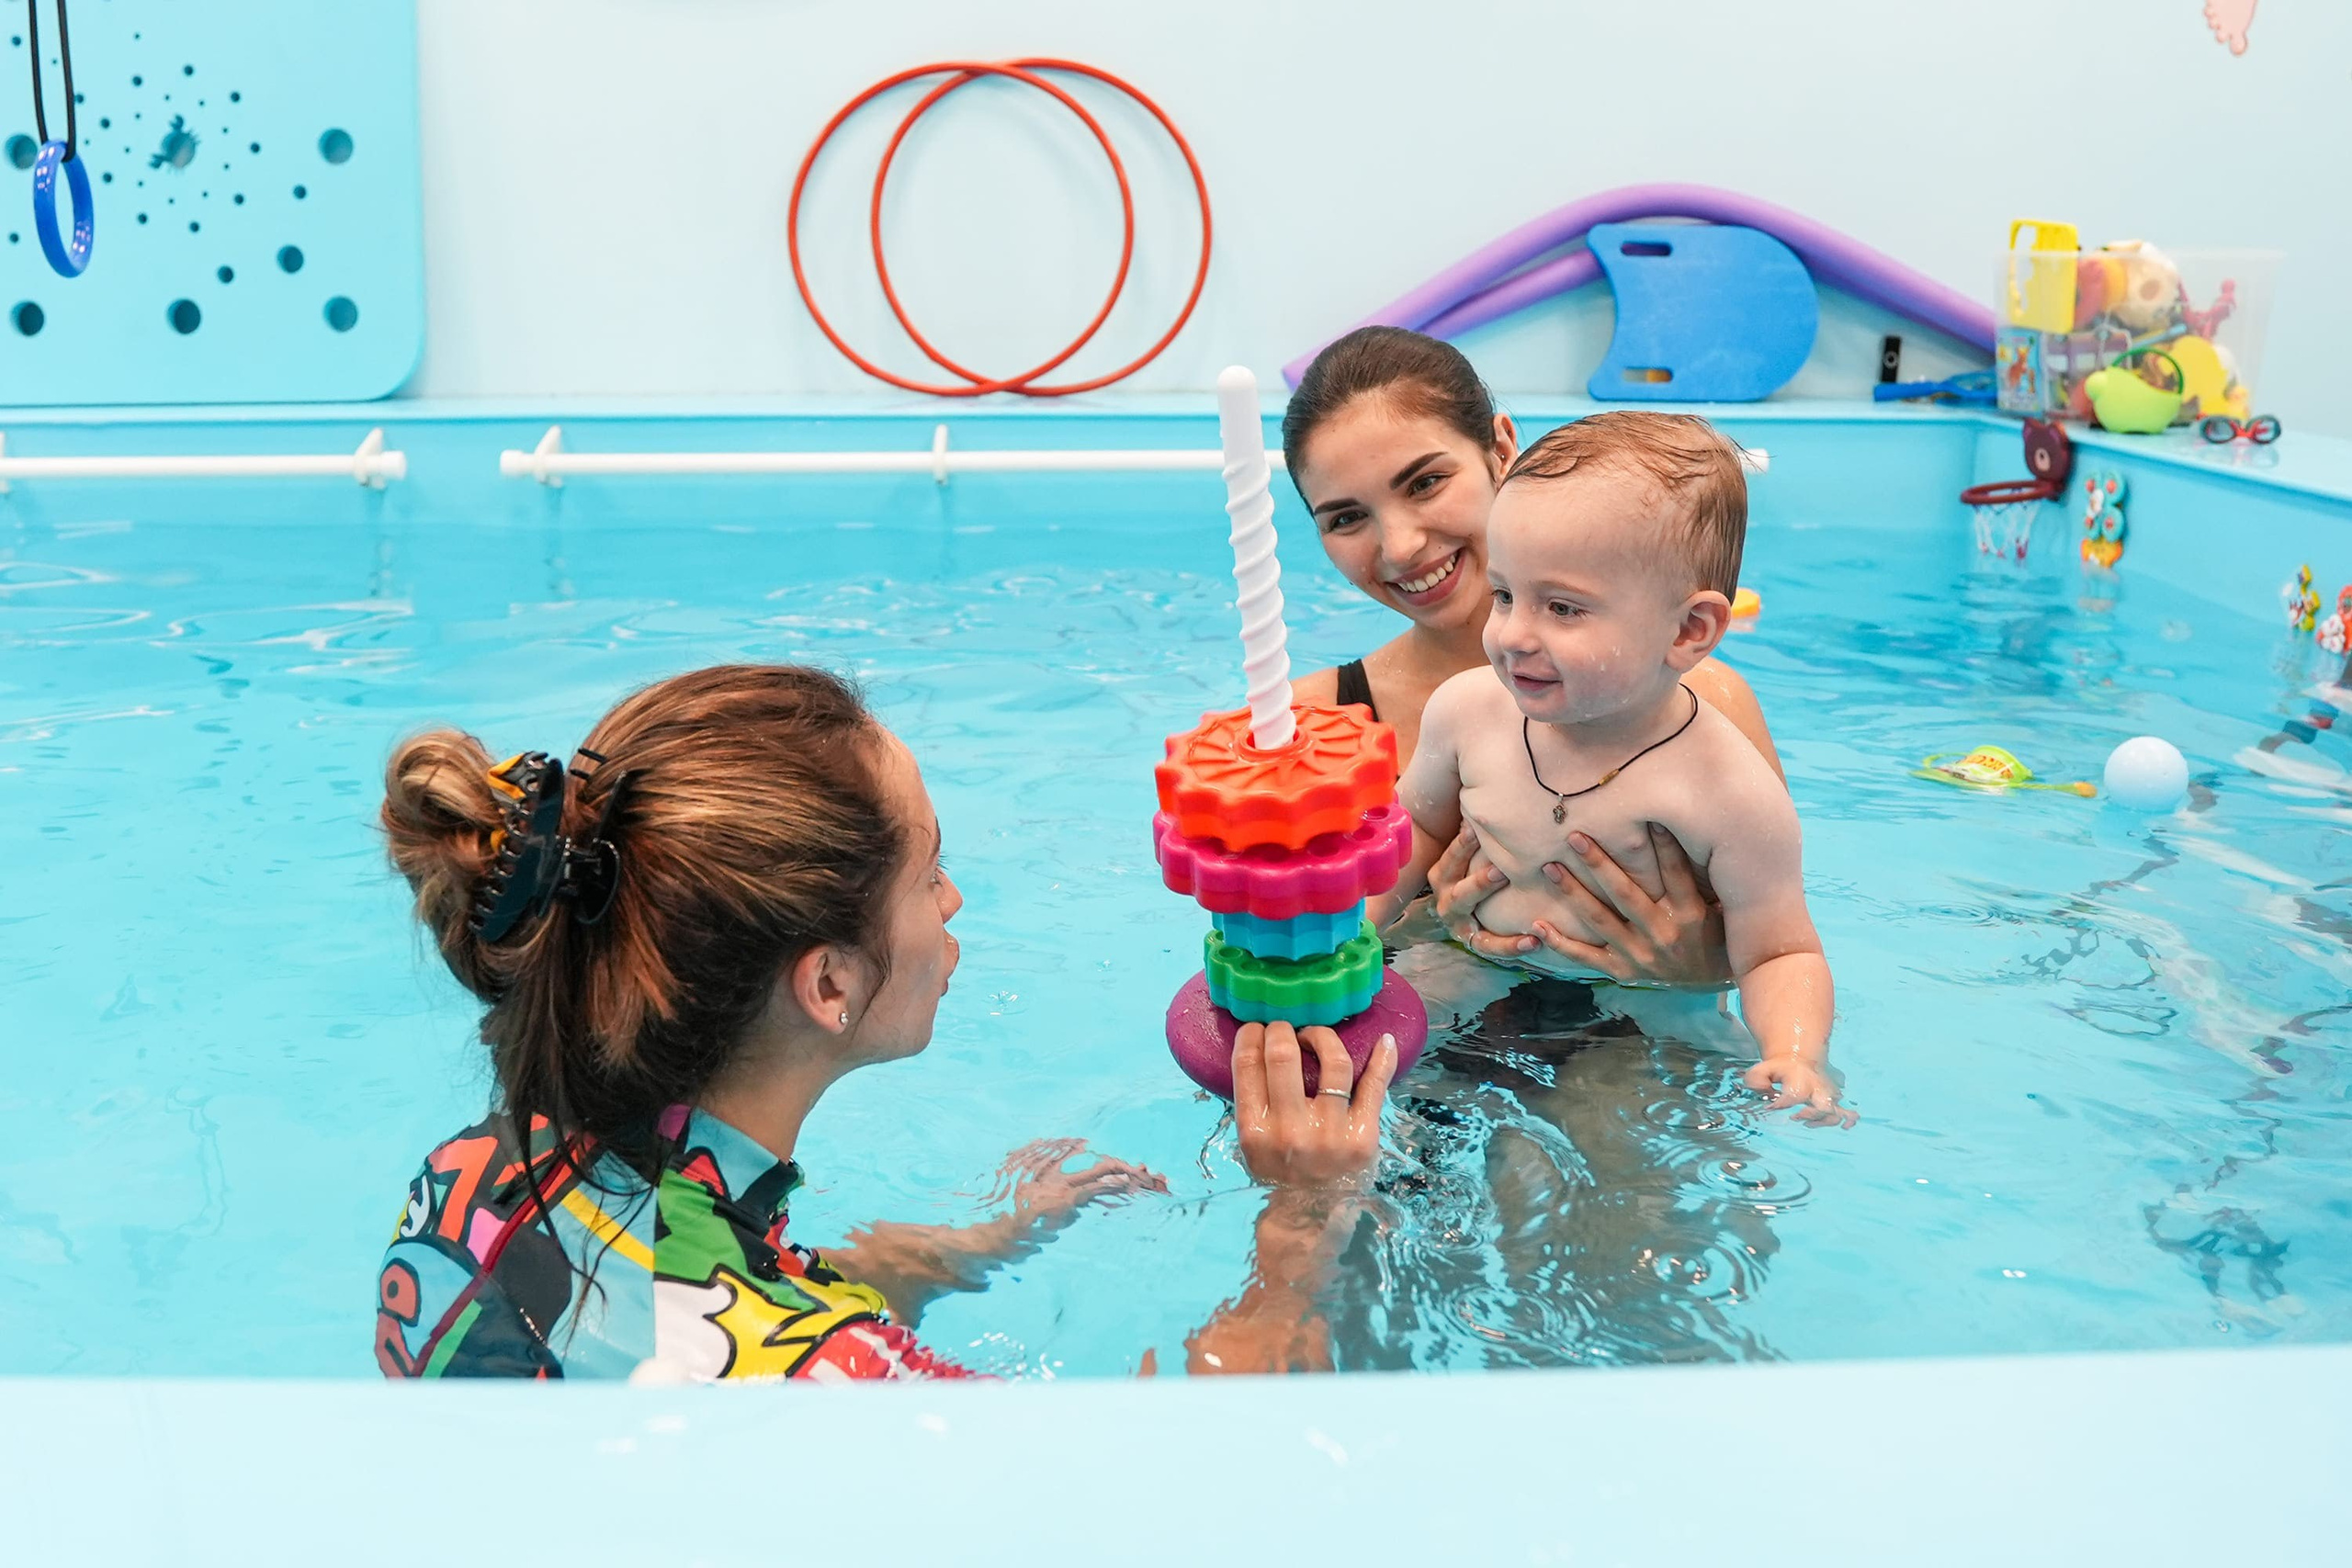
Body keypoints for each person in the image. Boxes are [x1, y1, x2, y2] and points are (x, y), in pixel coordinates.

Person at [372, 664, 1393, 1382]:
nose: (951, 904)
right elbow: (1153, 1506)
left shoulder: (475, 1172)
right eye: (928, 873)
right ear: (829, 986)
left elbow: (701, 1299)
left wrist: (979, 1245)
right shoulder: (847, 1396)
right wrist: (1302, 1230)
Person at [1371, 412, 1847, 1126]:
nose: (1511, 634)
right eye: (1505, 594)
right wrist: (1346, 938)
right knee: (1365, 1074)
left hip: (1641, 1006)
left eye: (1562, 607)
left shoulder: (1727, 791)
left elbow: (1780, 951)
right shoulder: (1467, 714)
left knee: (1621, 1167)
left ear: (1689, 630)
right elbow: (1406, 839)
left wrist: (1795, 1052)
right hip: (1473, 964)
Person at [1283, 326, 1783, 986]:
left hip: (1642, 1054)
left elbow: (1776, 945)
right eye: (1345, 518)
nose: (1400, 546)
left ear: (1501, 450)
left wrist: (1695, 967)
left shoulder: (1705, 704)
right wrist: (1430, 923)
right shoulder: (1311, 726)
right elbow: (1299, 954)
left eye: (1426, 482)